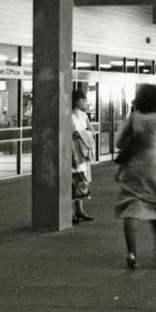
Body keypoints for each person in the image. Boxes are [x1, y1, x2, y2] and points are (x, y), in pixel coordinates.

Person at [114, 84, 156, 269]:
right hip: (151, 166)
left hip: (132, 166)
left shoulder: (133, 117)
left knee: (131, 208)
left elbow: (118, 142)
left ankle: (131, 252)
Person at [70, 90, 95, 222]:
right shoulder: (67, 115)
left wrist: (82, 134)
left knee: (81, 179)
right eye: (82, 100)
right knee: (72, 180)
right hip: (72, 149)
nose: (84, 102)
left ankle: (80, 210)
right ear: (75, 100)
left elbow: (92, 130)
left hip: (83, 149)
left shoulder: (83, 115)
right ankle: (70, 212)